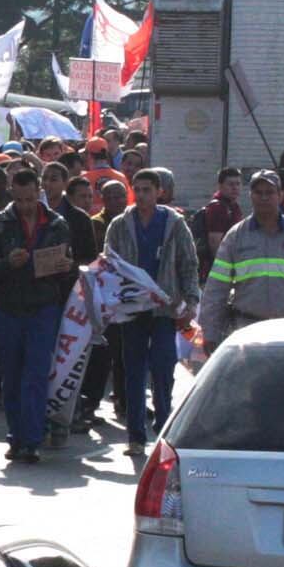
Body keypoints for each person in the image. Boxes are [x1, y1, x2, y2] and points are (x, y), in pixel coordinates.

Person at [0, 163, 76, 465]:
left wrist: (65, 267)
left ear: (39, 193)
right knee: (10, 377)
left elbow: (68, 269)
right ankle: (15, 436)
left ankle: (31, 440)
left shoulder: (57, 223)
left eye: (29, 200)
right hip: (8, 308)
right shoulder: (0, 223)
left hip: (43, 309)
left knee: (35, 376)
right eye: (18, 200)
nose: (24, 206)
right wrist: (8, 262)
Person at [103, 169, 200, 456]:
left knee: (162, 368)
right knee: (133, 370)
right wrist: (108, 302)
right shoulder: (120, 225)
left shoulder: (174, 223)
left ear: (159, 192)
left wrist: (191, 301)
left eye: (148, 189)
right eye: (138, 189)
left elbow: (188, 263)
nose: (142, 195)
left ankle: (163, 428)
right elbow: (109, 264)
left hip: (164, 309)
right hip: (132, 309)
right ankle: (135, 435)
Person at [197, 171, 284, 345]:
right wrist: (209, 333)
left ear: (280, 195)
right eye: (258, 192)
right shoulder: (236, 236)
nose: (264, 197)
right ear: (250, 196)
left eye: (270, 192)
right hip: (246, 331)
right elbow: (216, 289)